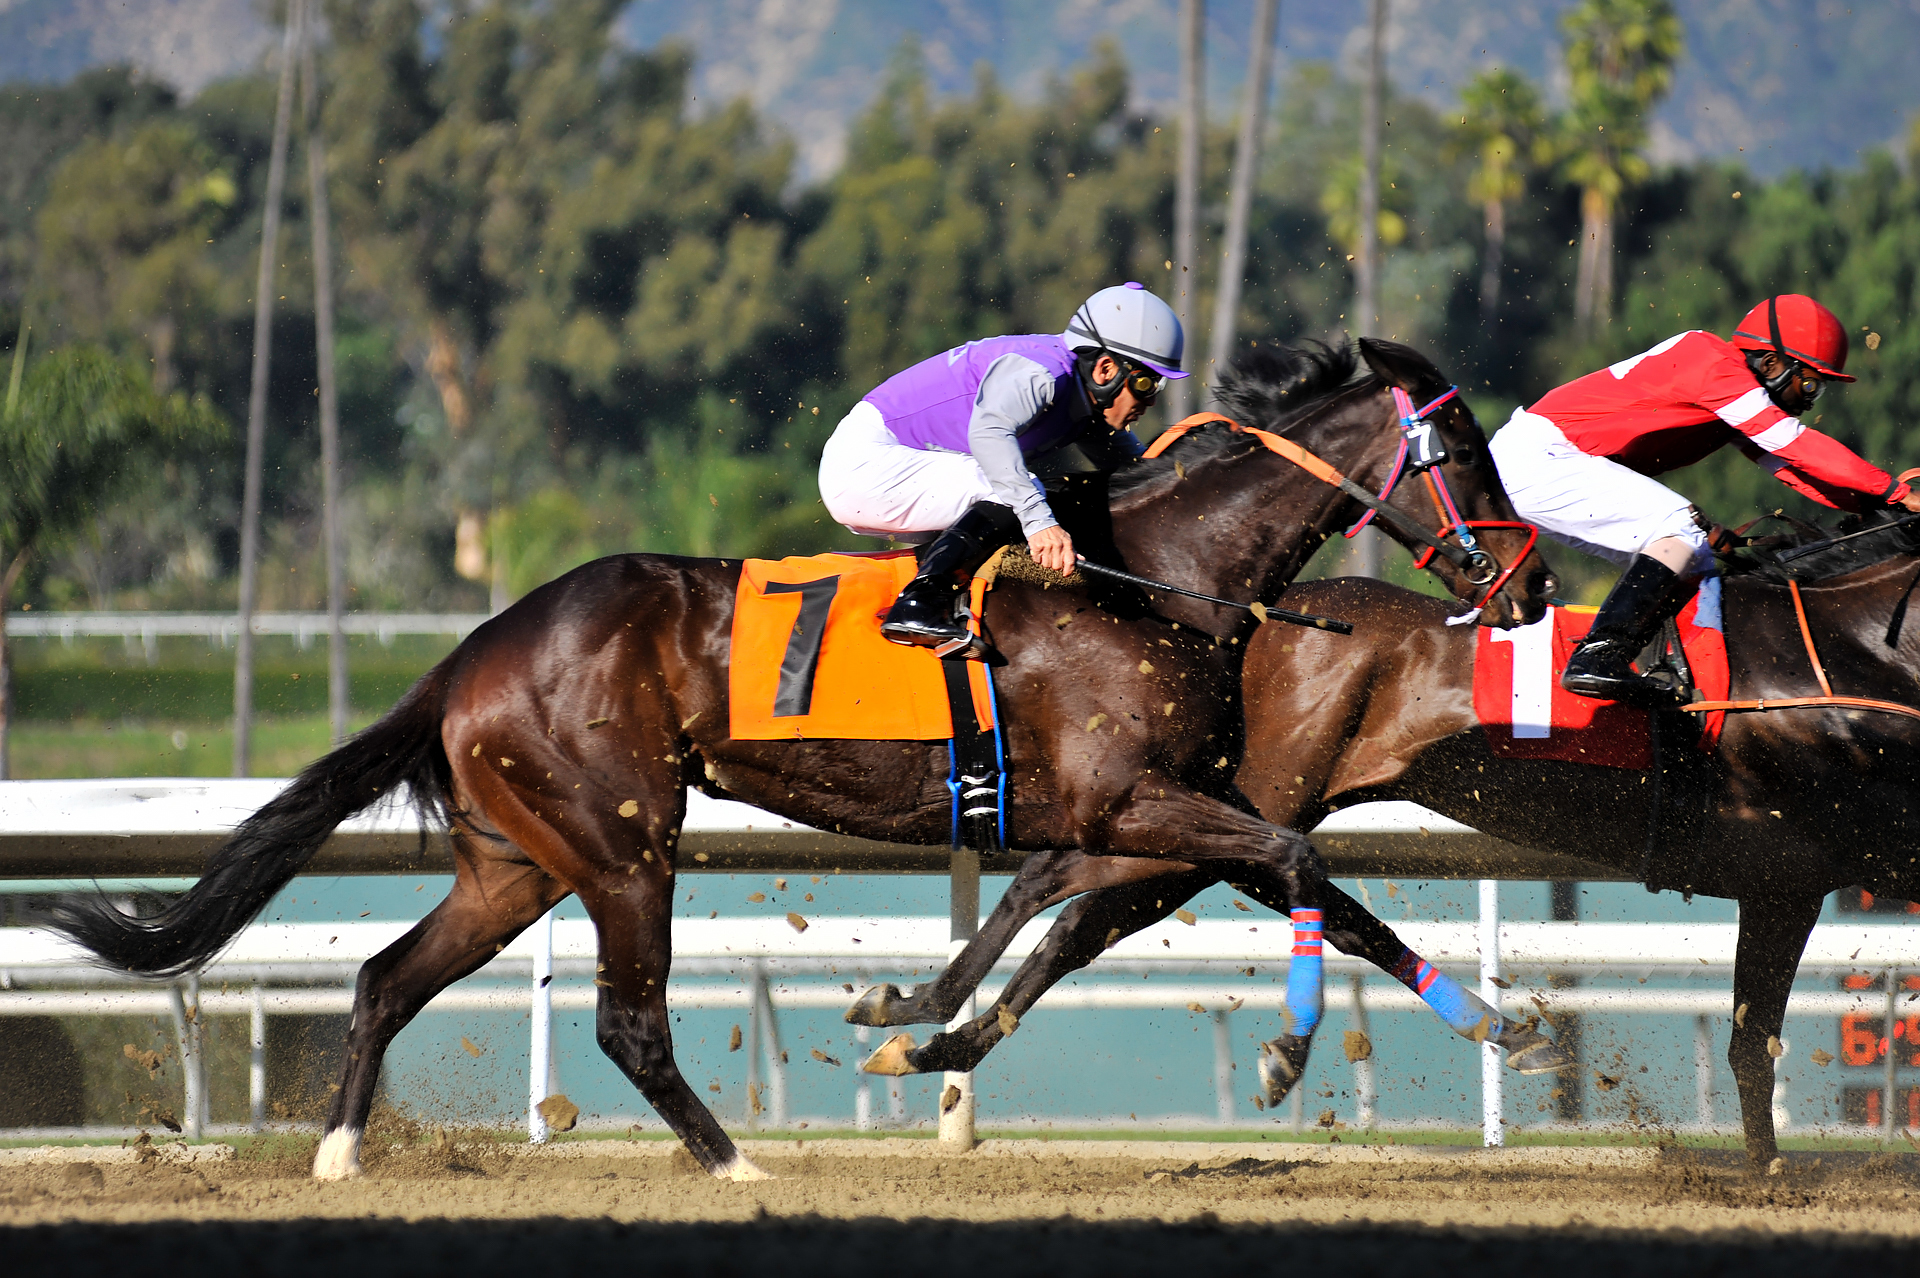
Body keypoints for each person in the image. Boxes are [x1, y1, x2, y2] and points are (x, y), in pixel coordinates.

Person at [1490, 293, 1920, 707]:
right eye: (1808, 384)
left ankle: (1660, 673)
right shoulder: (1714, 364)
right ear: (1771, 364)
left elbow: (1793, 471)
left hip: (1549, 466)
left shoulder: (1735, 399)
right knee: (1678, 527)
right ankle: (1597, 657)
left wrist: (1883, 509)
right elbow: (1797, 445)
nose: (1808, 400)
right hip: (1538, 458)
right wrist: (1895, 490)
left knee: (1692, 562)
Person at [818, 282, 1188, 651]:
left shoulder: (1088, 404)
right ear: (1106, 369)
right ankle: (918, 604)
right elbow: (989, 436)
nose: (1151, 401)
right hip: (866, 465)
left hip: (898, 468)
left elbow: (1142, 478)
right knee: (1021, 492)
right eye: (1146, 383)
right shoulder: (1044, 374)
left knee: (1043, 495)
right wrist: (1040, 524)